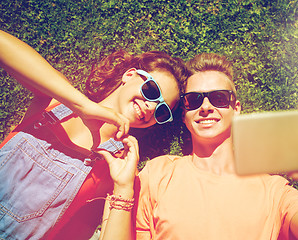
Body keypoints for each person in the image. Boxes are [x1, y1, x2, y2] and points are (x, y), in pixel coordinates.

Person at [99, 52, 298, 240]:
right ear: (185, 114)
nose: (206, 107)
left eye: (219, 98)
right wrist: (122, 188)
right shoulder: (158, 173)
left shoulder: (274, 191)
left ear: (236, 109)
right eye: (194, 100)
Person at [0, 30, 188, 240]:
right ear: (130, 75)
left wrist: (123, 187)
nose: (151, 106)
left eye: (162, 111)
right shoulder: (53, 102)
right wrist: (83, 106)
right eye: (152, 91)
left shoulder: (118, 168)